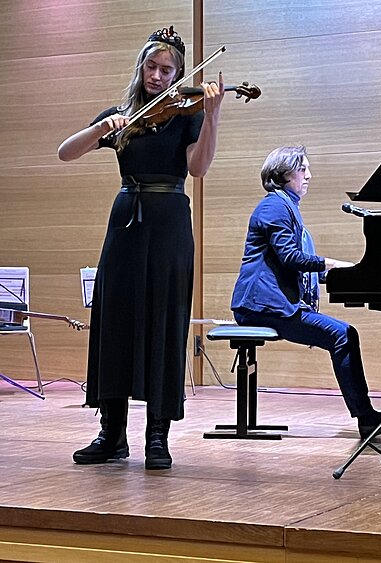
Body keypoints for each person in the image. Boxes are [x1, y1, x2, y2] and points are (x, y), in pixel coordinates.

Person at [58, 26, 225, 469]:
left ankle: (157, 436)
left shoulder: (187, 116)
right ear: (141, 67)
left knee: (165, 321)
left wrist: (212, 117)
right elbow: (65, 153)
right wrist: (101, 128)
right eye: (151, 66)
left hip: (169, 222)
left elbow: (198, 168)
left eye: (167, 70)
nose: (157, 75)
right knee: (114, 319)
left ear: (177, 76)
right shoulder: (123, 116)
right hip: (125, 222)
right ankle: (111, 433)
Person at [231, 145, 381, 440]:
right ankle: (366, 418)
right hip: (261, 306)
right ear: (283, 174)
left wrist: (355, 275)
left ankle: (367, 416)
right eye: (302, 169)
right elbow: (290, 258)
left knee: (345, 334)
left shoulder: (286, 206)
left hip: (272, 304)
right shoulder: (274, 207)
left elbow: (302, 267)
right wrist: (333, 263)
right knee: (342, 335)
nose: (309, 175)